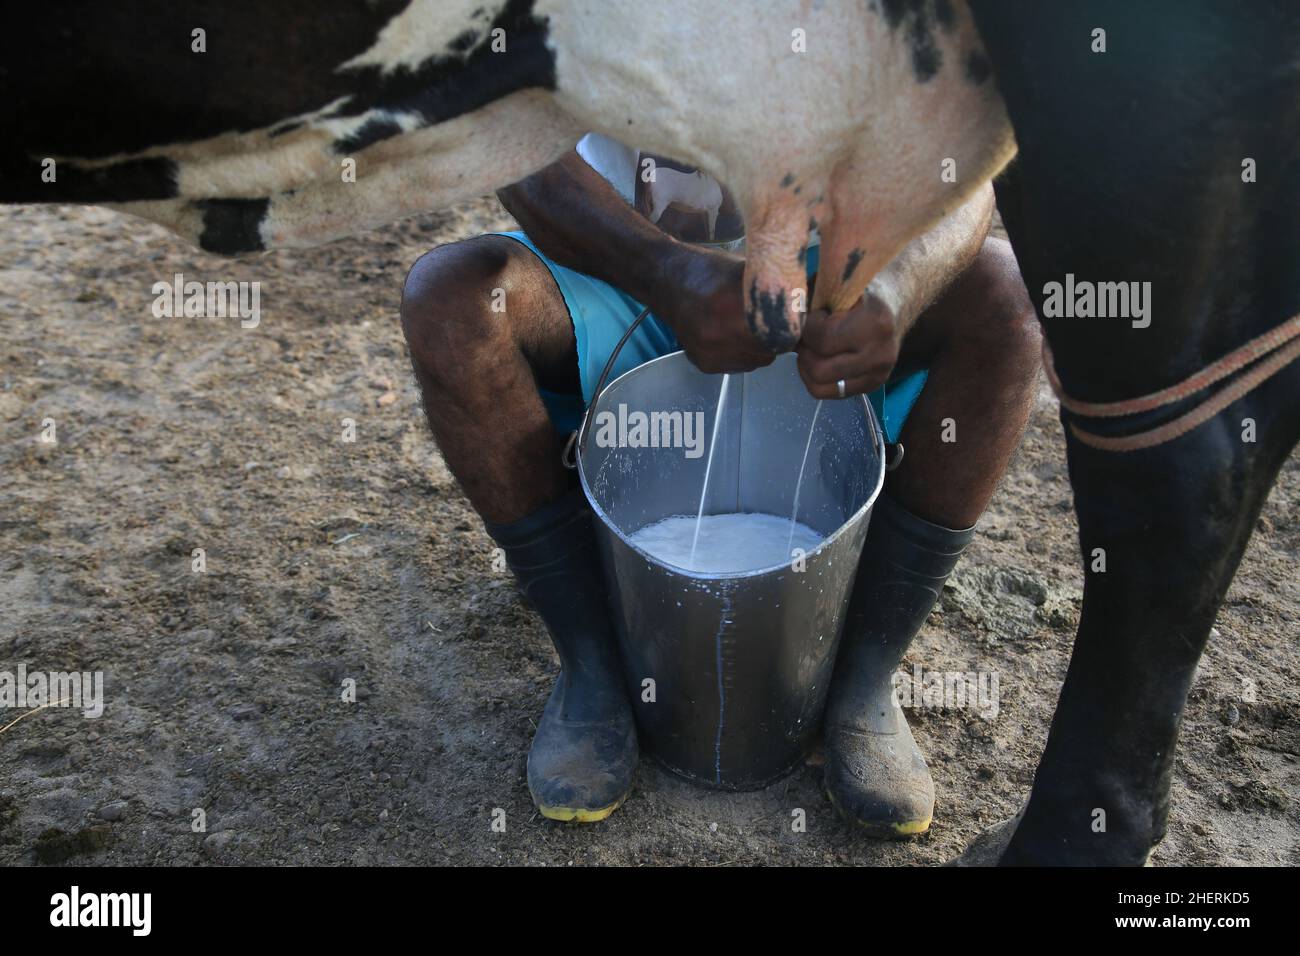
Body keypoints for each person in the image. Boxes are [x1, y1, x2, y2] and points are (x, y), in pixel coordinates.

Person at [399, 133, 1041, 833]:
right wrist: (664, 273)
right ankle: (592, 668)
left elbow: (964, 168)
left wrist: (892, 293)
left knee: (1004, 297)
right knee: (454, 302)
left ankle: (864, 679)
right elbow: (511, 136)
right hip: (612, 256)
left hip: (824, 277)